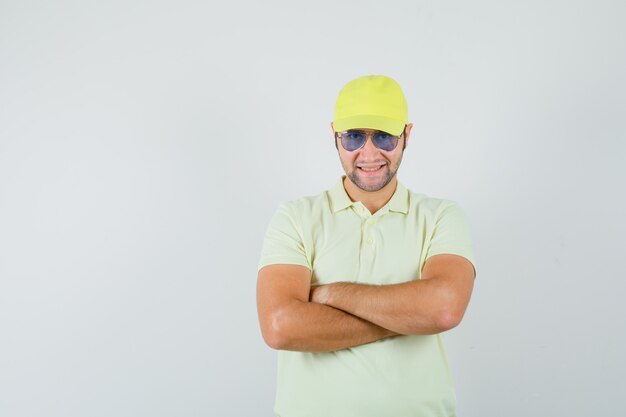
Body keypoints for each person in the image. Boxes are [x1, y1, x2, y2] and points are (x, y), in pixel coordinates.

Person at [256, 74, 476, 417]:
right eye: (354, 136)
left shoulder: (441, 217)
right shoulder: (295, 217)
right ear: (335, 135)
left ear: (407, 135)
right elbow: (280, 327)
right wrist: (412, 315)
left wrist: (331, 294)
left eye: (385, 137)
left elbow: (444, 308)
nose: (369, 154)